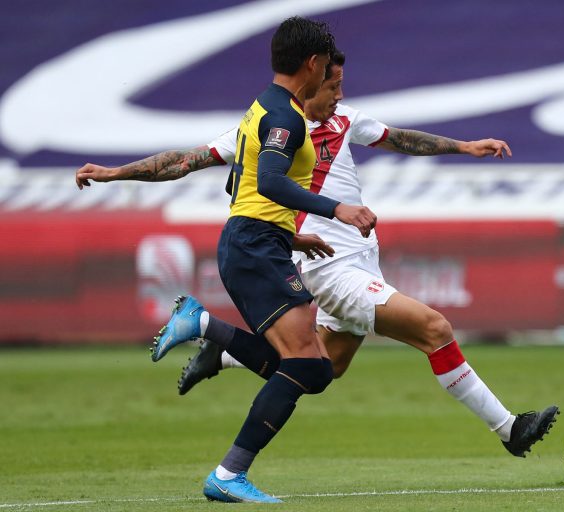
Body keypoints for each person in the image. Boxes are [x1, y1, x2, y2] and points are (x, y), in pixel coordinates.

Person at [77, 50, 558, 470]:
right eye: (333, 84)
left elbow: (399, 138)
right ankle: (509, 428)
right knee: (434, 328)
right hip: (330, 269)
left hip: (360, 263)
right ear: (310, 80)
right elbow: (185, 160)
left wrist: (464, 146)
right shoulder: (270, 126)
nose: (339, 93)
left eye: (342, 84)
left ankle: (220, 350)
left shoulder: (346, 119)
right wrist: (117, 172)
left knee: (324, 367)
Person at [78, 17, 377, 504]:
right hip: (255, 246)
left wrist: (115, 174)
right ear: (314, 63)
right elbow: (270, 184)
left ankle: (209, 332)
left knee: (314, 368)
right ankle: (228, 472)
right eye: (328, 67)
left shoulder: (261, 108)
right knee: (309, 367)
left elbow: (230, 184)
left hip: (260, 242)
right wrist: (337, 209)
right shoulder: (286, 119)